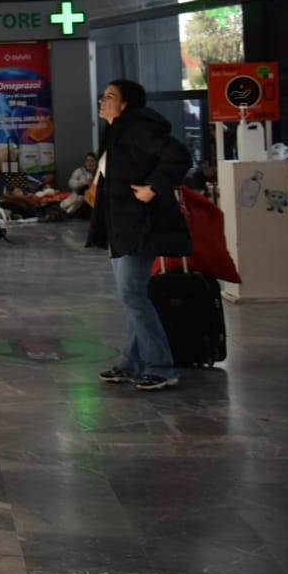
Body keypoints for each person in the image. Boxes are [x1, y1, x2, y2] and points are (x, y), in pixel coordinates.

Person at [88, 79, 192, 392]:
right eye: (102, 96)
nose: (102, 102)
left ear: (126, 104)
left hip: (140, 226)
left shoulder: (139, 129)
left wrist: (153, 187)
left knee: (132, 293)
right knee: (132, 295)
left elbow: (178, 156)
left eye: (109, 97)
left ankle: (161, 366)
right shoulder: (115, 132)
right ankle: (131, 364)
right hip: (120, 226)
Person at [61, 152, 98, 217]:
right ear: (85, 162)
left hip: (95, 198)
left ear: (96, 162)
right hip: (81, 198)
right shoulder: (79, 171)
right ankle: (68, 213)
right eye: (87, 161)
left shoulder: (99, 172)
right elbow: (71, 183)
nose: (90, 163)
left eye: (92, 161)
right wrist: (83, 183)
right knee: (80, 198)